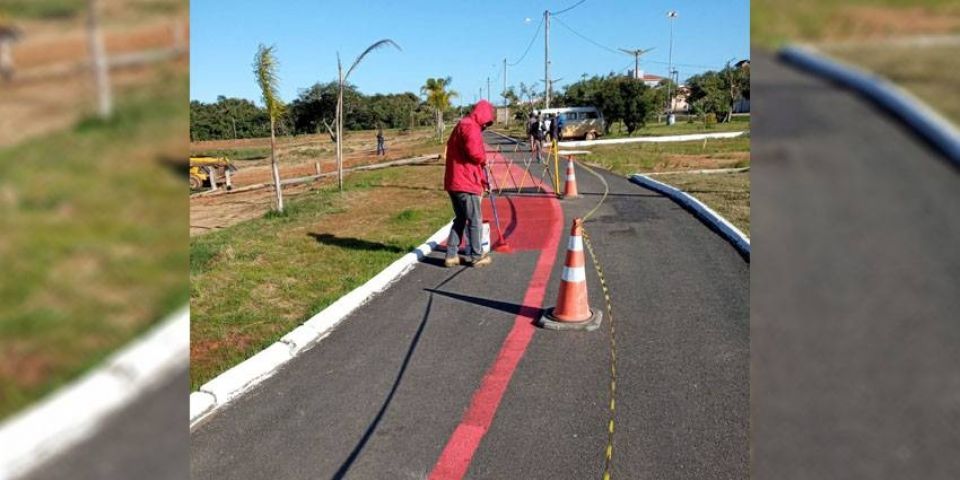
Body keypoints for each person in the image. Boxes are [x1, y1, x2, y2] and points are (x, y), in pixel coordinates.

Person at [444, 99, 495, 268]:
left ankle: (451, 255)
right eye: (487, 122)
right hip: (465, 180)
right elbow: (474, 151)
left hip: (454, 181)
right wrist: (484, 159)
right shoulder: (471, 127)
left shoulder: (462, 124)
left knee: (461, 217)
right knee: (474, 219)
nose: (486, 126)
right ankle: (476, 255)